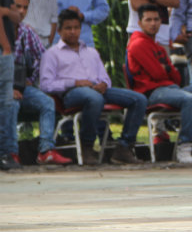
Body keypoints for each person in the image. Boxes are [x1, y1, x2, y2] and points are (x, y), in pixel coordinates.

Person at [40, 9, 147, 165]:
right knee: (94, 98)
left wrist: (104, 84)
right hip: (71, 93)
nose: (73, 32)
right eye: (68, 28)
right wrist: (74, 82)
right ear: (59, 30)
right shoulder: (52, 54)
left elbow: (104, 77)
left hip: (97, 90)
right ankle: (87, 146)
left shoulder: (91, 52)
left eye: (76, 28)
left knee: (139, 99)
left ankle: (123, 147)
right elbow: (45, 84)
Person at [127, 4, 192, 164]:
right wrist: (165, 69)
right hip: (151, 93)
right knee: (189, 99)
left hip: (171, 88)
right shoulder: (137, 44)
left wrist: (164, 69)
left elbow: (176, 77)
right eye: (148, 20)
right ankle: (184, 145)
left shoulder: (158, 47)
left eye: (156, 19)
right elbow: (159, 73)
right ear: (140, 22)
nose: (153, 23)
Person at [4, 0, 72, 165]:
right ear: (7, 7)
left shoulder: (27, 32)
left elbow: (42, 58)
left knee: (47, 102)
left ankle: (45, 150)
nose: (21, 11)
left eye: (25, 8)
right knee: (10, 105)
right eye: (17, 6)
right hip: (3, 88)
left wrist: (28, 80)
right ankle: (11, 153)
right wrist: (9, 88)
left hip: (22, 87)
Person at [0, 0, 20, 170]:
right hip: (3, 51)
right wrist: (6, 47)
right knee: (5, 103)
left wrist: (6, 12)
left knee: (5, 104)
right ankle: (5, 153)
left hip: (6, 50)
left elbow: (16, 15)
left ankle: (6, 152)